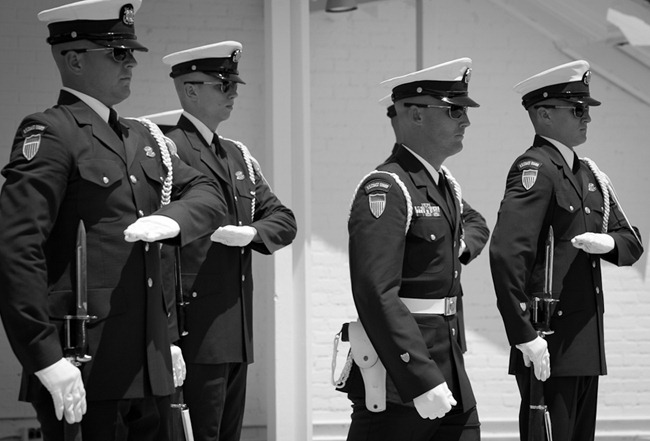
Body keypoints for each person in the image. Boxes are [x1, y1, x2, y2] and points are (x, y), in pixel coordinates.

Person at [0, 1, 228, 440]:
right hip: (85, 363)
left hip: (150, 361)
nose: (130, 64)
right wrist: (44, 357)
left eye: (131, 54)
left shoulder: (142, 137)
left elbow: (208, 193)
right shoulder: (51, 132)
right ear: (73, 58)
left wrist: (174, 219)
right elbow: (17, 249)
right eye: (116, 53)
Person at [489, 60, 644, 441]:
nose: (587, 118)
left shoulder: (587, 174)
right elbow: (507, 254)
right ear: (543, 114)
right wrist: (523, 336)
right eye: (577, 109)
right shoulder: (535, 168)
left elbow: (631, 242)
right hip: (548, 342)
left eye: (587, 109)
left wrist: (607, 243)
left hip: (584, 344)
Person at [342, 58, 489, 441]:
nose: (466, 122)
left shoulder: (439, 184)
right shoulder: (388, 187)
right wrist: (420, 378)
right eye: (455, 110)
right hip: (402, 374)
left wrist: (456, 248)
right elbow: (375, 293)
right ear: (416, 115)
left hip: (448, 359)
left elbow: (476, 224)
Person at [160, 41, 297, 441]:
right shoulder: (168, 148)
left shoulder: (237, 155)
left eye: (234, 85)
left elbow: (283, 218)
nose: (234, 93)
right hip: (193, 330)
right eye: (223, 85)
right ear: (190, 90)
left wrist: (252, 232)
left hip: (235, 330)